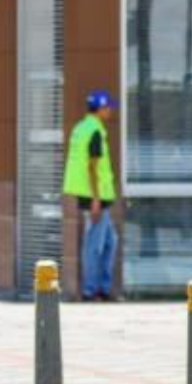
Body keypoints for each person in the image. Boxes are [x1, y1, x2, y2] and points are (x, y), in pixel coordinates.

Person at [64, 90, 119, 300]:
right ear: (101, 108)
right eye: (108, 108)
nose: (110, 112)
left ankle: (102, 288)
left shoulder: (81, 128)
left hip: (90, 194)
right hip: (95, 196)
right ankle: (91, 290)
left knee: (110, 241)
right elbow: (92, 166)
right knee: (94, 244)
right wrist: (96, 199)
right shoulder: (94, 130)